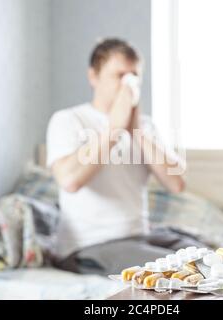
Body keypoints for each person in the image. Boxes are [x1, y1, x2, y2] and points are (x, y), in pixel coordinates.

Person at [46, 38, 206, 276]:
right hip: (89, 245)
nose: (127, 85)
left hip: (139, 236)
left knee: (208, 260)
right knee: (184, 271)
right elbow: (70, 180)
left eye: (133, 76)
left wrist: (136, 131)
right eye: (119, 75)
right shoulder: (69, 120)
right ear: (94, 77)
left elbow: (176, 182)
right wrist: (113, 129)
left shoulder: (145, 126)